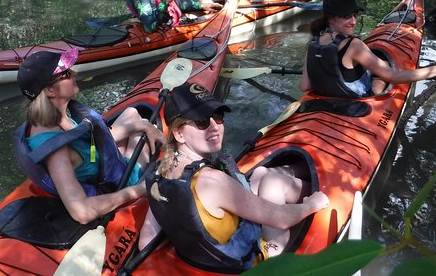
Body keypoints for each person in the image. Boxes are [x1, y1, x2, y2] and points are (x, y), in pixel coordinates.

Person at [138, 82, 330, 272]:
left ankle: (300, 173)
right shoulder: (211, 181)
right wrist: (311, 205)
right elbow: (281, 220)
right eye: (201, 121)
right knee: (274, 183)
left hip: (208, 258)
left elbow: (146, 240)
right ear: (179, 133)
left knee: (262, 174)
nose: (215, 127)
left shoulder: (159, 172)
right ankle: (320, 185)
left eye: (218, 116)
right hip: (252, 259)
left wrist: (190, 233)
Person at [12, 48, 165, 224]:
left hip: (102, 165)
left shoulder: (58, 117)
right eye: (66, 74)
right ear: (50, 91)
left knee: (132, 114)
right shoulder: (56, 151)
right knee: (149, 138)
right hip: (119, 185)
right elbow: (81, 212)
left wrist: (143, 125)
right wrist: (138, 190)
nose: (74, 73)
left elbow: (93, 144)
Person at [300, 0, 436, 97]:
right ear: (331, 19)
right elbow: (394, 77)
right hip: (354, 101)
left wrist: (328, 77)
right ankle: (376, 90)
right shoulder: (354, 45)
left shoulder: (314, 41)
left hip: (328, 101)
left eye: (354, 15)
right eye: (346, 17)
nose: (353, 21)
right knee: (382, 72)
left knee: (372, 68)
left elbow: (305, 86)